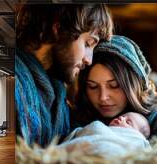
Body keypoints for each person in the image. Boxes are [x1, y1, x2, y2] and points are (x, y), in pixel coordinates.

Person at [15, 4, 113, 147]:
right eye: (88, 43)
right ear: (58, 29)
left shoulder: (57, 93)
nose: (89, 60)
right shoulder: (13, 79)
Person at [72, 35, 157, 143]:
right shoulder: (79, 120)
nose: (103, 97)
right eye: (92, 87)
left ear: (134, 84)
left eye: (114, 86)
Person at [59, 112, 151, 158]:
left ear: (136, 133)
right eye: (123, 116)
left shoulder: (138, 139)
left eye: (128, 122)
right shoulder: (102, 127)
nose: (121, 118)